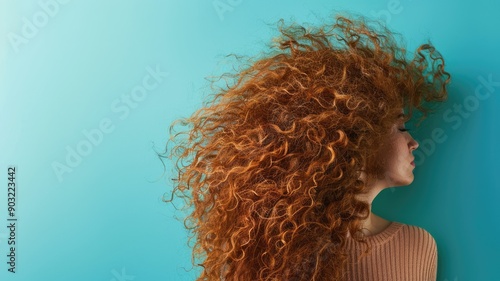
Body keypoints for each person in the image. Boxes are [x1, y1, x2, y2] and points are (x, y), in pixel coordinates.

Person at [159, 12, 450, 281]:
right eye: (400, 128)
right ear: (358, 137)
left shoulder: (419, 245)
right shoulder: (278, 252)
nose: (414, 142)